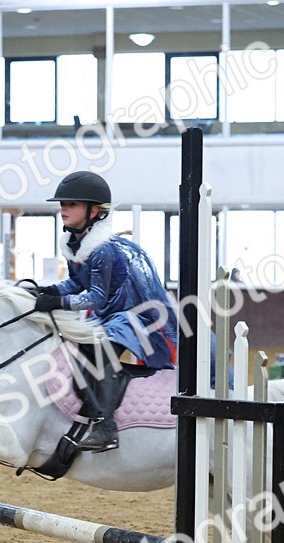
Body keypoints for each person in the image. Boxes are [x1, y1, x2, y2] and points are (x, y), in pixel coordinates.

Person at [29, 171, 177, 452]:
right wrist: (50, 290)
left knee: (95, 353)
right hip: (108, 317)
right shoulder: (75, 243)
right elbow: (77, 282)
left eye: (71, 204)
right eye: (62, 204)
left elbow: (96, 296)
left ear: (94, 211)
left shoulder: (103, 250)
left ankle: (106, 425)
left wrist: (59, 304)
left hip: (132, 318)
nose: (63, 209)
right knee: (75, 352)